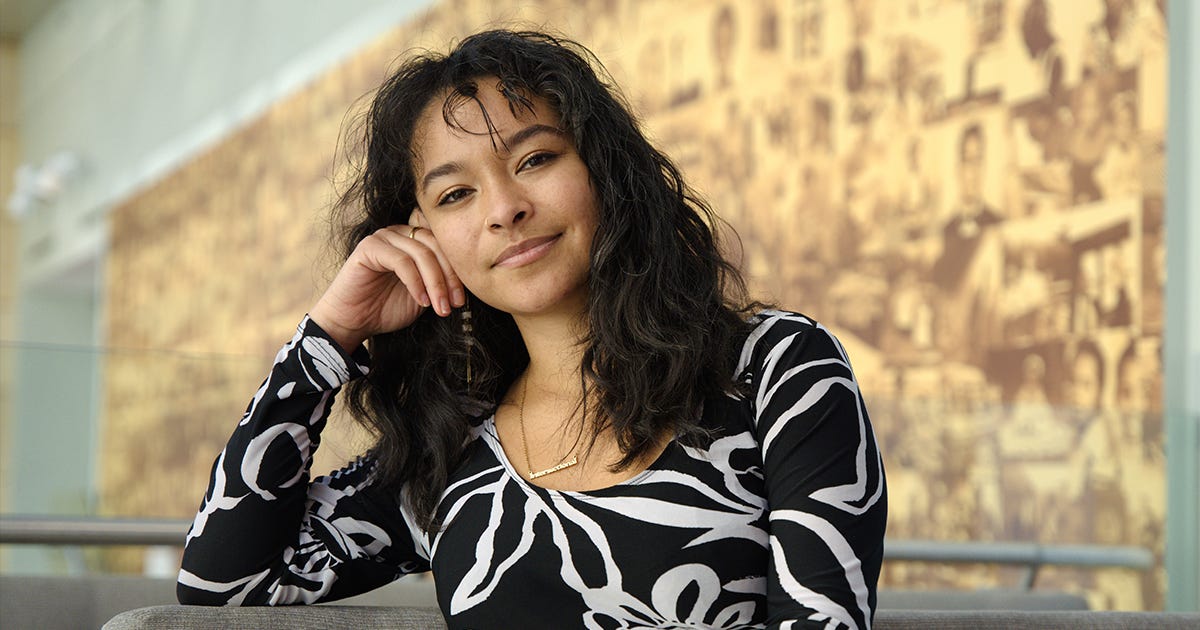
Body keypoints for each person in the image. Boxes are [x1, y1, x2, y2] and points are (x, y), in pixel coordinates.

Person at [176, 29, 887, 629]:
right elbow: (223, 591)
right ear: (426, 236)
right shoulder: (450, 452)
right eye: (457, 194)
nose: (504, 208)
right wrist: (330, 337)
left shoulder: (777, 370)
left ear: (603, 170)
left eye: (536, 159)